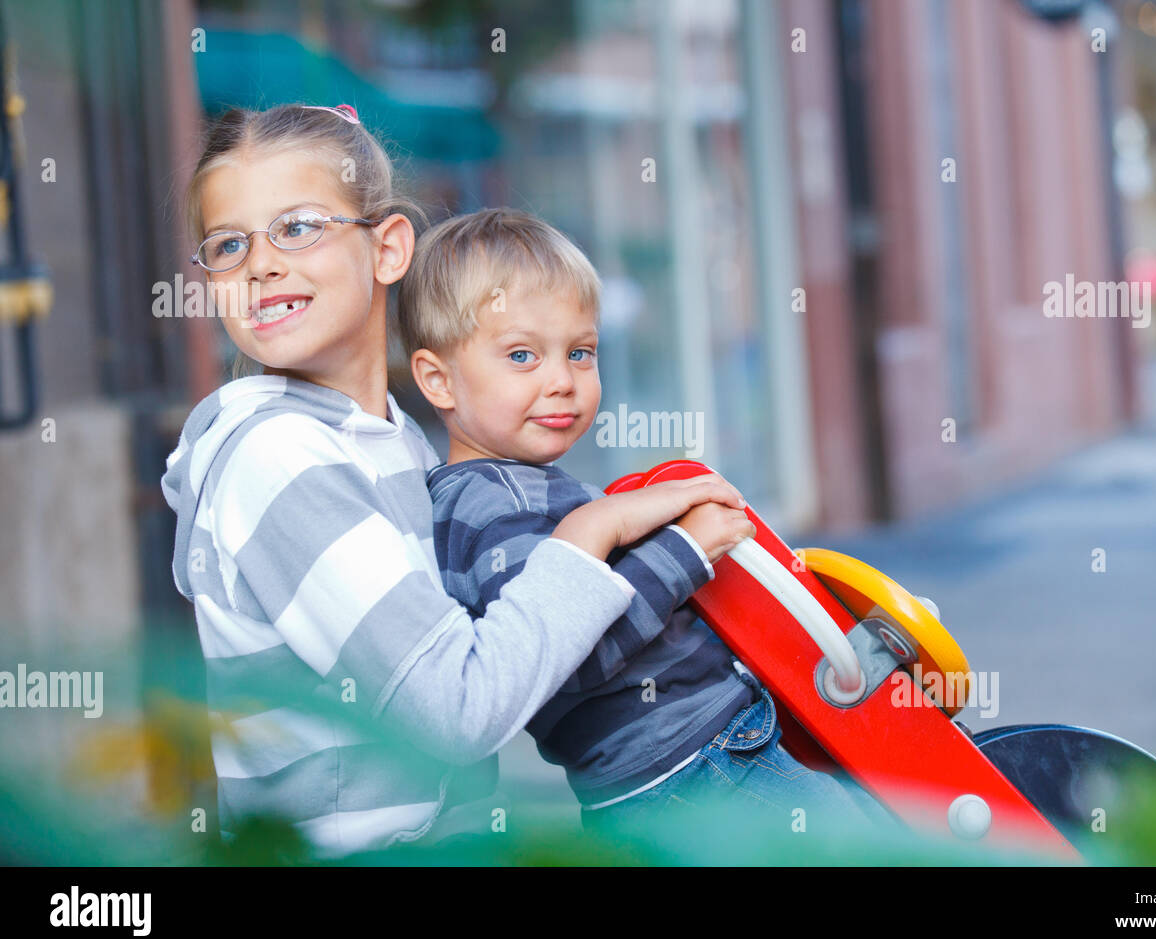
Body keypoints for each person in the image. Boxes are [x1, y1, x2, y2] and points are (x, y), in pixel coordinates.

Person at [161, 104, 751, 858]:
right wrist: (593, 530)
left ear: (388, 248)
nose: (262, 263)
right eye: (229, 244)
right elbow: (456, 708)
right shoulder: (277, 458)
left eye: (299, 227)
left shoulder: (391, 444)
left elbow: (512, 645)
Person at [399, 208, 899, 846]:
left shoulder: (517, 488)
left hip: (682, 767)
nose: (562, 381)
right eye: (522, 355)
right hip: (692, 769)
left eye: (580, 352)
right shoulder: (490, 505)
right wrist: (687, 551)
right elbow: (562, 654)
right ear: (437, 379)